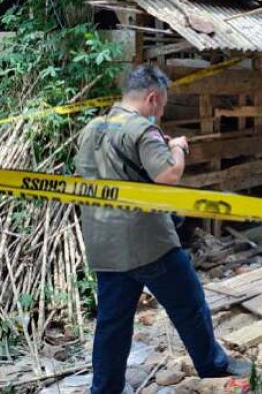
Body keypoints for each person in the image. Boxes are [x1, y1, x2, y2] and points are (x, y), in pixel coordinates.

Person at [75, 65, 249, 394]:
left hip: (103, 246)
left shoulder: (92, 128)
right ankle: (213, 366)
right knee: (189, 303)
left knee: (112, 325)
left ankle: (105, 389)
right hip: (148, 243)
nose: (161, 113)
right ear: (152, 98)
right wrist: (177, 148)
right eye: (163, 106)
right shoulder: (141, 129)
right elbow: (168, 175)